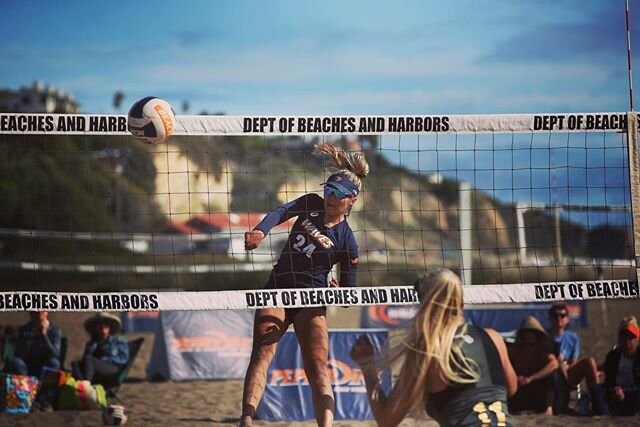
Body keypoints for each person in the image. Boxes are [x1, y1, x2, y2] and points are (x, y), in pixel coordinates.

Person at [239, 143, 369, 427]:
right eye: (328, 190)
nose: (329, 197)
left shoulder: (348, 242)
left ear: (352, 200)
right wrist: (260, 231)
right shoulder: (311, 203)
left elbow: (348, 295)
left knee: (318, 367)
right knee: (262, 352)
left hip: (311, 300)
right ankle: (246, 419)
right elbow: (280, 211)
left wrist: (339, 294)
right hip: (278, 289)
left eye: (337, 194)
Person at [350, 269, 518, 427]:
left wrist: (367, 366)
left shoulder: (428, 348)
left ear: (424, 306)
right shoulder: (492, 337)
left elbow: (387, 419)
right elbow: (511, 389)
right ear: (460, 302)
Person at [507, 316, 558, 415]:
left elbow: (554, 364)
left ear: (537, 334)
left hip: (537, 388)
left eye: (532, 332)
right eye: (526, 332)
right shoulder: (516, 350)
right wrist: (515, 378)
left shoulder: (542, 350)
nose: (529, 335)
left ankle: (549, 409)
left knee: (552, 377)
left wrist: (531, 378)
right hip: (519, 388)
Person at [72, 312, 129, 387]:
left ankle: (86, 385)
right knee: (75, 363)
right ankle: (83, 385)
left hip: (112, 370)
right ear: (95, 328)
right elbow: (84, 361)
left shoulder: (118, 341)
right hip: (95, 371)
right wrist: (91, 347)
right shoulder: (92, 343)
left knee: (89, 359)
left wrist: (105, 359)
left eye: (106, 326)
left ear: (109, 328)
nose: (103, 329)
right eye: (100, 326)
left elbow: (123, 359)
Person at [599, 315, 640, 416]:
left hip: (635, 394)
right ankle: (605, 413)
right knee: (598, 390)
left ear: (637, 338)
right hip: (616, 394)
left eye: (631, 337)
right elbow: (608, 382)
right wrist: (615, 389)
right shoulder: (613, 356)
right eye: (624, 336)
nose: (627, 341)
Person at [5, 311, 62, 377]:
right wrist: (30, 337)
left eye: (42, 310)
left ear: (47, 312)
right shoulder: (24, 329)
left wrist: (44, 335)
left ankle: (45, 384)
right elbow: (19, 354)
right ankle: (25, 383)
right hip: (27, 365)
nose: (39, 313)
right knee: (15, 362)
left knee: (54, 363)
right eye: (35, 311)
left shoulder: (54, 330)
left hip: (44, 363)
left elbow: (54, 354)